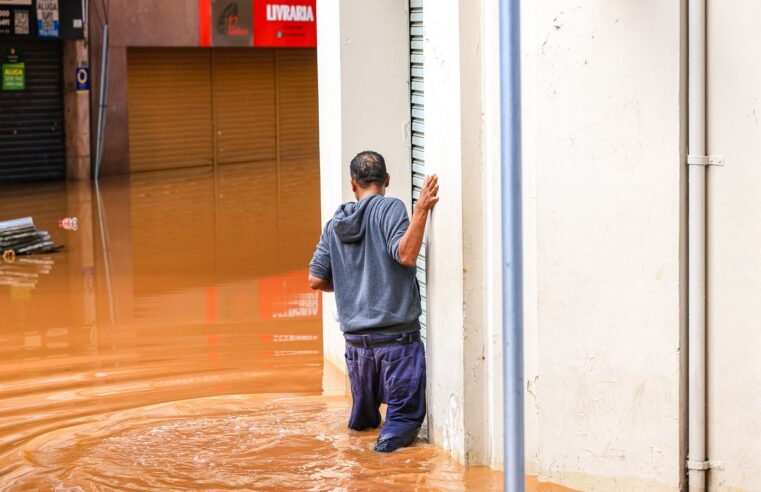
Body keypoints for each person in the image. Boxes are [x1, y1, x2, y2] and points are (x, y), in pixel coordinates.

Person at [308, 150, 439, 452]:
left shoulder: (334, 225)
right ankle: (379, 476)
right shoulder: (390, 208)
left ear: (353, 184)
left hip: (356, 350)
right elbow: (406, 255)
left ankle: (359, 474)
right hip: (397, 344)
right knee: (398, 433)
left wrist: (348, 284)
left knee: (362, 427)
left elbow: (315, 280)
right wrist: (420, 211)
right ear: (387, 180)